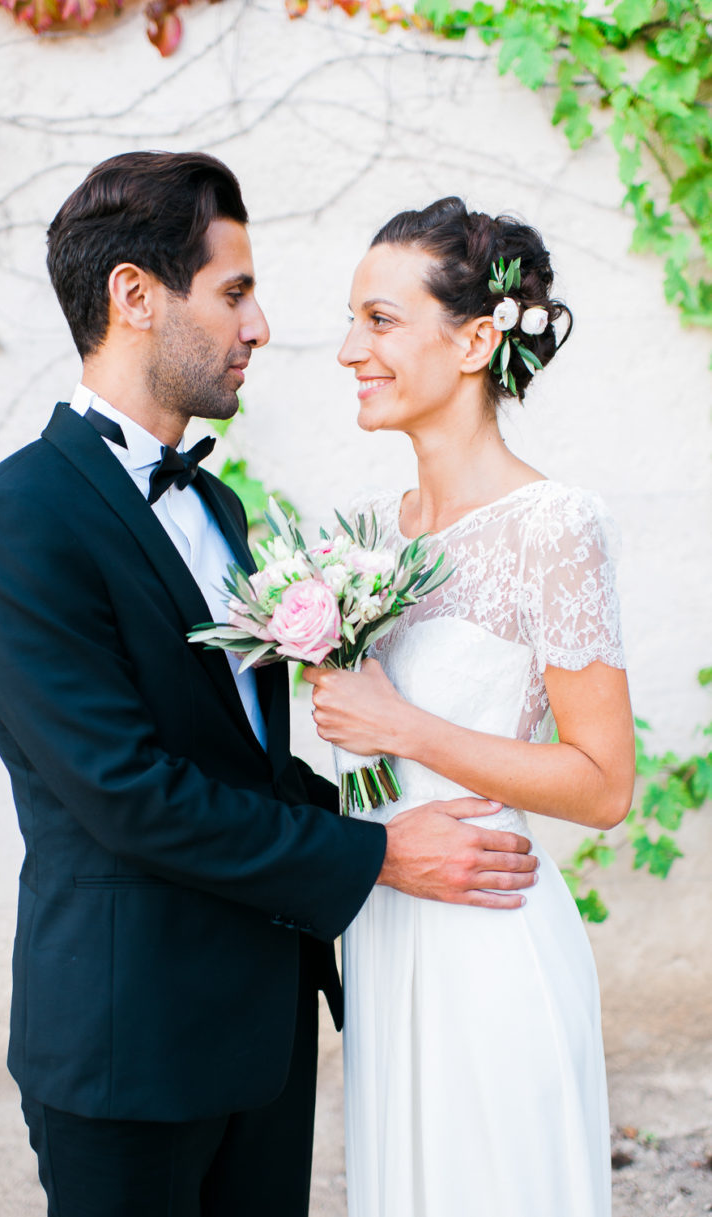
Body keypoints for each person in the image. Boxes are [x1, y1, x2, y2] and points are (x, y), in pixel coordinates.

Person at [0, 156, 540, 1217]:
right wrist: (381, 852)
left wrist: (404, 814)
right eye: (234, 291)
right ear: (134, 295)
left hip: (264, 1038)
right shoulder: (11, 521)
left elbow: (243, 766)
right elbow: (127, 790)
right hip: (129, 1049)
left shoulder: (217, 509)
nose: (260, 325)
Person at [304, 197, 636, 1217]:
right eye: (354, 320)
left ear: (477, 339)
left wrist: (401, 725)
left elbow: (604, 783)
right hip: (388, 934)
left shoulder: (553, 525)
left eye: (381, 319)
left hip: (490, 936)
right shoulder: (363, 535)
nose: (350, 347)